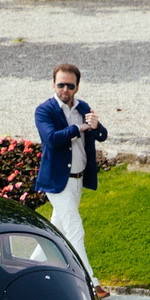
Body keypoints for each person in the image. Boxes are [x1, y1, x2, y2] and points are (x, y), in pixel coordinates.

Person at [33, 61, 106, 270]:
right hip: (56, 181)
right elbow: (52, 139)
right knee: (75, 229)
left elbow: (102, 135)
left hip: (78, 179)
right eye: (61, 85)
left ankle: (27, 266)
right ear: (53, 85)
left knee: (57, 230)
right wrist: (78, 128)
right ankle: (91, 282)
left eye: (70, 86)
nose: (65, 90)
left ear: (77, 87)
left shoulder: (83, 108)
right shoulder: (44, 111)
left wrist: (96, 125)